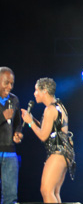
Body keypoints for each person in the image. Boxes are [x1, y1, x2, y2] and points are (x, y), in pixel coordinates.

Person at [20, 77, 75, 203]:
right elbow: (50, 130)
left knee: (46, 191)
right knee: (54, 192)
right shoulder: (60, 106)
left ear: (44, 90)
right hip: (65, 153)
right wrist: (33, 120)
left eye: (36, 90)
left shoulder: (49, 109)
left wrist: (30, 123)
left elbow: (43, 136)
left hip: (57, 153)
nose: (34, 93)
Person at [0, 67, 23, 204]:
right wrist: (2, 117)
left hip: (10, 153)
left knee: (10, 197)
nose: (9, 87)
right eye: (6, 83)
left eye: (12, 84)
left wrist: (18, 133)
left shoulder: (14, 100)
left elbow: (17, 123)